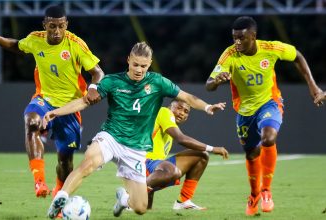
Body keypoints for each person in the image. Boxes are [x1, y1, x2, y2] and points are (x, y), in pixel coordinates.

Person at [43, 42, 226, 218]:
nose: (139, 69)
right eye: (136, 64)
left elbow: (188, 97)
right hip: (111, 137)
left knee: (140, 208)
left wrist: (208, 107)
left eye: (144, 66)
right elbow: (84, 102)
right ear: (128, 60)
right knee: (88, 164)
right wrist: (55, 113)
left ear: (150, 64)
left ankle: (124, 199)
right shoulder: (112, 81)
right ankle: (61, 197)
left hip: (136, 149)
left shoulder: (158, 82)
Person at [0, 5, 104, 199]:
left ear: (66, 24)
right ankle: (39, 181)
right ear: (45, 25)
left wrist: (93, 89)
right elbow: (16, 45)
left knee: (65, 161)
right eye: (52, 26)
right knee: (32, 120)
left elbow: (97, 72)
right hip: (44, 98)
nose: (57, 31)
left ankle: (59, 194)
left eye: (61, 26)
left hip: (69, 106)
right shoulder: (36, 39)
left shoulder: (76, 44)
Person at [205, 16, 323, 216]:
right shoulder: (229, 55)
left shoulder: (271, 48)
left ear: (253, 36)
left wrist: (313, 85)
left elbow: (298, 56)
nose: (237, 42)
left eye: (242, 38)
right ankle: (254, 195)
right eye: (234, 38)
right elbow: (209, 85)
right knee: (251, 153)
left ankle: (266, 190)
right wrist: (217, 81)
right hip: (244, 111)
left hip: (270, 102)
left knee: (268, 138)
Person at [145, 99, 229, 210]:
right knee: (173, 171)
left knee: (201, 155)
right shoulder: (164, 112)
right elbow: (181, 139)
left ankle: (183, 201)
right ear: (170, 107)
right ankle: (134, 193)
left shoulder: (171, 126)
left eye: (186, 111)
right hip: (142, 164)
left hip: (154, 168)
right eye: (179, 108)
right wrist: (212, 148)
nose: (182, 113)